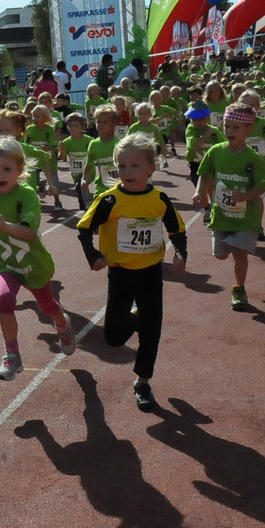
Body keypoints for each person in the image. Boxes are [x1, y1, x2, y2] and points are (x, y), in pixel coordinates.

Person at [76, 134, 186, 411]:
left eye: (134, 166)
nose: (127, 172)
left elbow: (177, 228)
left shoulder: (159, 199)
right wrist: (93, 255)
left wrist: (181, 253)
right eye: (121, 166)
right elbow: (84, 227)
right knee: (113, 337)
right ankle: (135, 318)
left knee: (152, 332)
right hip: (121, 275)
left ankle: (143, 382)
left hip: (150, 274)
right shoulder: (110, 200)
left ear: (151, 167)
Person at [0, 136, 75, 381]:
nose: (0, 174)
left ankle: (62, 324)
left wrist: (5, 226)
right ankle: (12, 355)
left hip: (33, 265)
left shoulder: (27, 194)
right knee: (4, 299)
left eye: (7, 169)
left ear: (20, 169)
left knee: (48, 307)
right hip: (6, 265)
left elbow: (28, 233)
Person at [192, 103, 265, 310]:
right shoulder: (216, 151)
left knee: (239, 253)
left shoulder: (254, 158)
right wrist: (199, 192)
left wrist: (245, 195)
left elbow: (262, 187)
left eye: (236, 127)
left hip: (245, 217)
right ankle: (223, 241)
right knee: (220, 255)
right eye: (227, 126)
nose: (229, 131)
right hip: (222, 215)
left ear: (248, 130)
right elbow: (204, 173)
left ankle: (239, 288)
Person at [183, 100, 224, 188]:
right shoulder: (191, 129)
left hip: (211, 166)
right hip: (196, 164)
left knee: (213, 189)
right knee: (200, 190)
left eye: (201, 118)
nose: (198, 122)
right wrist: (206, 134)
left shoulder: (214, 130)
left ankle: (210, 201)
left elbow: (224, 145)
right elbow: (193, 147)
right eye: (195, 119)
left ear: (207, 117)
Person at [84, 105, 121, 197]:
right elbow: (89, 165)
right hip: (102, 187)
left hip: (120, 186)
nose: (101, 124)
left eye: (105, 122)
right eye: (98, 122)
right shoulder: (93, 144)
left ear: (114, 124)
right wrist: (84, 179)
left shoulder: (120, 144)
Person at [59, 112, 91, 211]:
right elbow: (63, 158)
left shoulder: (89, 140)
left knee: (80, 186)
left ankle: (85, 204)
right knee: (80, 188)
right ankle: (86, 202)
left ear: (82, 127)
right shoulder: (66, 142)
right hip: (75, 171)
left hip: (88, 170)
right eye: (70, 126)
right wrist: (62, 149)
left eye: (76, 126)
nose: (73, 128)